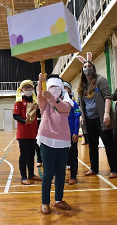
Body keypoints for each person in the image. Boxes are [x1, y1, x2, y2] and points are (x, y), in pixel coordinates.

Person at [76, 52, 117, 178]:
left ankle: (115, 170)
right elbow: (79, 103)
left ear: (93, 68)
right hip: (89, 119)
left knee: (108, 144)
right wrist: (82, 117)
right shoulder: (82, 85)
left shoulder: (100, 80)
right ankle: (94, 168)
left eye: (89, 66)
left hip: (101, 118)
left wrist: (106, 113)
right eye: (84, 67)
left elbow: (107, 96)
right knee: (92, 145)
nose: (86, 68)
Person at [37, 73, 73, 214]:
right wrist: (41, 82)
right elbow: (40, 95)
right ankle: (45, 202)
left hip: (63, 141)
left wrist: (51, 97)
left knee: (60, 172)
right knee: (48, 173)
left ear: (61, 88)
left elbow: (64, 108)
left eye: (56, 87)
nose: (54, 89)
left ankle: (58, 200)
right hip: (47, 139)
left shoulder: (66, 101)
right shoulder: (44, 103)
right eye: (51, 87)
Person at [13, 80, 42, 185]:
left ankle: (31, 174)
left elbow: (38, 116)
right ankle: (23, 176)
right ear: (22, 89)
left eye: (30, 87)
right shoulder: (19, 102)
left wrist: (39, 109)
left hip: (33, 132)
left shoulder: (35, 101)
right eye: (26, 88)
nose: (28, 89)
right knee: (24, 155)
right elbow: (15, 115)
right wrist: (23, 121)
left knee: (31, 154)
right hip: (23, 133)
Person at [63, 81, 81, 185]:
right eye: (63, 88)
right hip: (61, 135)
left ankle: (73, 175)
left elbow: (76, 119)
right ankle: (61, 175)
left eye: (67, 88)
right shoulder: (58, 103)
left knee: (73, 155)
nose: (65, 90)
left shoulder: (73, 104)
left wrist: (75, 133)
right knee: (61, 156)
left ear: (70, 90)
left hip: (71, 134)